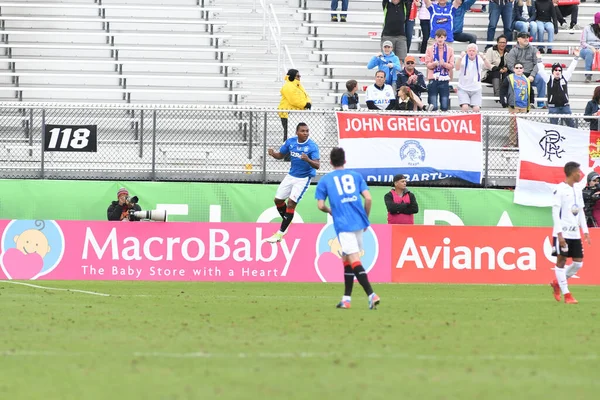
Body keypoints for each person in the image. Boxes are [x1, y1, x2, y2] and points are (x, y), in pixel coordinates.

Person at [315, 147, 380, 310]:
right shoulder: (356, 176)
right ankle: (346, 299)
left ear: (330, 162)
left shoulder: (325, 180)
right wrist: (365, 217)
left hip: (344, 224)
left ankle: (371, 294)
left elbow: (320, 205)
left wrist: (330, 211)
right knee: (346, 259)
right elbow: (369, 198)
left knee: (353, 259)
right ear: (345, 161)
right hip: (359, 221)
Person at [265, 123, 320, 243]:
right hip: (291, 175)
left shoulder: (312, 146)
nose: (305, 133)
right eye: (303, 131)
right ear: (297, 132)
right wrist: (273, 153)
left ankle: (280, 233)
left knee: (290, 203)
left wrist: (308, 160)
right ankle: (287, 221)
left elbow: (317, 165)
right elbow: (280, 155)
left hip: (303, 178)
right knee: (278, 200)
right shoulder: (290, 142)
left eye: (307, 131)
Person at [549, 161, 591, 305]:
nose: (580, 174)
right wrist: (559, 234)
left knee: (578, 263)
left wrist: (585, 231)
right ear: (572, 173)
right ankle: (567, 294)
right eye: (578, 172)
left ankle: (557, 282)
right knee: (561, 261)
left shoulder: (578, 189)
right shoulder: (559, 189)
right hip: (562, 233)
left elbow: (580, 211)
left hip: (575, 234)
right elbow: (555, 212)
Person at [536, 49, 580, 127]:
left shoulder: (564, 77)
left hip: (565, 106)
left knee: (572, 126)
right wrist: (539, 60)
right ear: (552, 71)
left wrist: (576, 57)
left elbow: (571, 68)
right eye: (556, 70)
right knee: (553, 127)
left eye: (559, 70)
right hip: (553, 107)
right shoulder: (548, 79)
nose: (557, 71)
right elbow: (541, 71)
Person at [505, 31, 546, 108]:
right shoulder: (513, 51)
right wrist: (520, 75)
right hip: (518, 75)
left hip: (531, 74)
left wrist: (532, 75)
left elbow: (537, 63)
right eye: (523, 37)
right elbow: (510, 65)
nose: (526, 39)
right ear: (518, 39)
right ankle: (518, 103)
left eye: (527, 37)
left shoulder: (534, 49)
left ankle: (541, 103)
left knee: (541, 79)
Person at [500, 61, 533, 146]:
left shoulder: (526, 79)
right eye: (517, 68)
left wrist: (531, 102)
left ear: (523, 69)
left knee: (523, 126)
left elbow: (531, 91)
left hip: (524, 106)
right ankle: (512, 143)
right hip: (514, 105)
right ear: (514, 69)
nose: (519, 69)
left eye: (520, 68)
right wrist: (504, 100)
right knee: (513, 126)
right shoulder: (509, 78)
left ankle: (522, 143)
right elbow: (503, 89)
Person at [455, 44, 493, 112]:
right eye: (470, 51)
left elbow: (489, 67)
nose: (471, 52)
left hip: (476, 88)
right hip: (463, 87)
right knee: (465, 107)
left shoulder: (479, 58)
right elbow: (457, 68)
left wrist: (484, 58)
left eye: (473, 51)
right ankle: (465, 121)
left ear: (476, 52)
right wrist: (460, 57)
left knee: (476, 108)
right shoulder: (463, 58)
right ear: (467, 51)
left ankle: (474, 122)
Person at [278, 69, 311, 143]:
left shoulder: (298, 86)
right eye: (297, 76)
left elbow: (306, 96)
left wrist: (309, 102)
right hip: (287, 114)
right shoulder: (288, 86)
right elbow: (293, 99)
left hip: (296, 114)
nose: (299, 78)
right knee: (289, 135)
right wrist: (305, 104)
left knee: (296, 134)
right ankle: (285, 153)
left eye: (300, 76)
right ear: (292, 76)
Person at [425, 28, 455, 111]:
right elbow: (427, 64)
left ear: (445, 38)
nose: (440, 39)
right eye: (438, 37)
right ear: (435, 38)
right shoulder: (430, 49)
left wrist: (444, 64)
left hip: (444, 79)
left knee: (445, 105)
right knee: (432, 105)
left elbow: (452, 65)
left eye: (442, 37)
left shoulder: (450, 50)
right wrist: (434, 64)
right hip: (433, 79)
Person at [580, 12, 600, 83]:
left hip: (598, 48)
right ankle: (588, 75)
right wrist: (591, 47)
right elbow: (582, 43)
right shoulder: (587, 28)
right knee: (589, 52)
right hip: (587, 48)